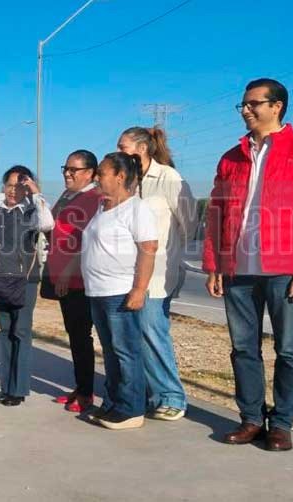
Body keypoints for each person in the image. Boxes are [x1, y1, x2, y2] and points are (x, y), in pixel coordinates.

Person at [203, 78, 293, 451]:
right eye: (243, 105)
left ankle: (281, 424)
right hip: (239, 270)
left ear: (276, 106)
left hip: (284, 270)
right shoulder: (231, 157)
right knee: (243, 348)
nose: (245, 110)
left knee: (289, 350)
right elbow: (216, 214)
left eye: (253, 104)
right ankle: (250, 419)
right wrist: (214, 264)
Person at [117, 127, 197, 421]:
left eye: (122, 147)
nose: (118, 152)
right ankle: (149, 394)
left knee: (152, 331)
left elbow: (189, 224)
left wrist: (170, 254)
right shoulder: (126, 180)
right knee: (133, 335)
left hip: (159, 272)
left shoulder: (168, 178)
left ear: (141, 148)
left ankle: (171, 397)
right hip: (126, 272)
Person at [81, 152, 158, 430]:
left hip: (119, 291)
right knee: (111, 352)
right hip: (97, 291)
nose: (96, 178)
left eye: (101, 173)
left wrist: (139, 289)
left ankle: (132, 409)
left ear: (120, 176)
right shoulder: (103, 207)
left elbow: (148, 249)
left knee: (126, 351)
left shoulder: (137, 209)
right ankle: (113, 403)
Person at [0, 165, 54, 406]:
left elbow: (47, 224)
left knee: (21, 331)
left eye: (20, 186)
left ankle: (19, 389)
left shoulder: (32, 212)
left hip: (25, 281)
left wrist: (35, 193)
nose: (13, 190)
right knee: (5, 331)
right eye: (9, 185)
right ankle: (7, 387)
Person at [45, 150, 103, 413]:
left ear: (90, 172)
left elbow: (86, 240)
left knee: (82, 337)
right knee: (75, 336)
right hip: (62, 277)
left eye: (73, 170)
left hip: (79, 280)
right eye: (65, 169)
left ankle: (87, 393)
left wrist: (68, 273)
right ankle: (81, 387)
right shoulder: (68, 195)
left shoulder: (95, 198)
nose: (67, 174)